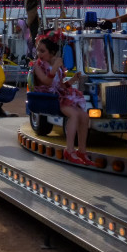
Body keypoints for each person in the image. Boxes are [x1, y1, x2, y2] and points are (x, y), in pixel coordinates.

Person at [31, 31, 93, 165]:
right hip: (48, 97)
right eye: (39, 51)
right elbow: (46, 82)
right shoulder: (38, 66)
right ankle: (69, 150)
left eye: (43, 51)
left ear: (51, 53)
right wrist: (54, 68)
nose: (40, 54)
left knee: (84, 116)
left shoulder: (57, 67)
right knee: (74, 115)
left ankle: (82, 150)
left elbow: (60, 85)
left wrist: (72, 80)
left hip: (59, 94)